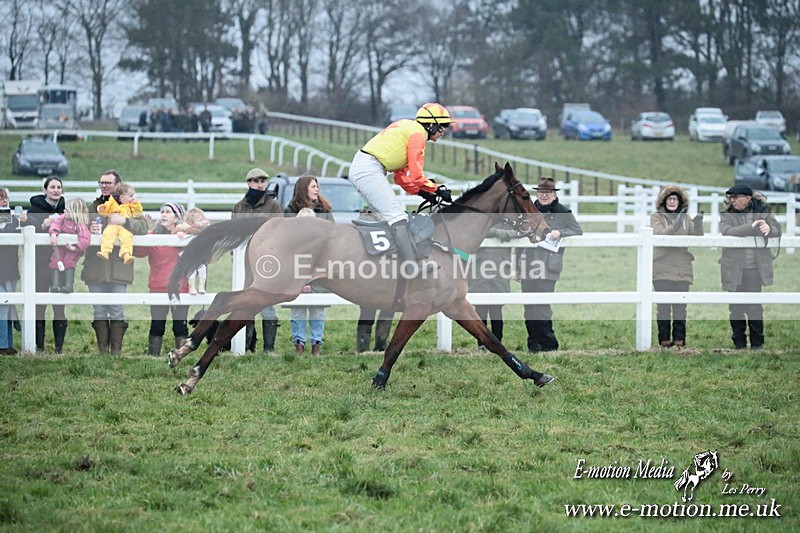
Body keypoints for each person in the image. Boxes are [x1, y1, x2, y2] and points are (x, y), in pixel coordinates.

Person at [348, 102, 454, 274]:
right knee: (396, 215)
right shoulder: (418, 135)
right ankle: (411, 266)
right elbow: (417, 175)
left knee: (396, 214)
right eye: (442, 127)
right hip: (368, 169)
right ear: (431, 124)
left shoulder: (411, 130)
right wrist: (437, 190)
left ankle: (397, 259)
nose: (443, 131)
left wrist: (423, 193)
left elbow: (401, 177)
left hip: (367, 167)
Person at [82, 170, 150, 355]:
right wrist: (89, 228)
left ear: (117, 185)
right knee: (99, 310)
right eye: (101, 182)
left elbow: (144, 227)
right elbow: (77, 227)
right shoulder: (92, 207)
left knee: (117, 309)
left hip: (120, 267)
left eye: (108, 183)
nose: (104, 186)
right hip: (95, 266)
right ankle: (103, 352)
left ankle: (116, 353)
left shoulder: (131, 206)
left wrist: (124, 221)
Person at [517, 177, 583, 352]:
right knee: (529, 307)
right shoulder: (529, 211)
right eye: (541, 192)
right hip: (528, 264)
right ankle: (533, 343)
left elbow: (577, 230)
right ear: (536, 194)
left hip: (547, 266)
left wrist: (560, 232)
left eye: (548, 193)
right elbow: (519, 238)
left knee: (542, 306)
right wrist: (517, 266)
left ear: (554, 194)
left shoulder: (563, 211)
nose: (544, 196)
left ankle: (549, 344)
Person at [719, 183, 781, 350]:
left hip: (755, 269)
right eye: (731, 198)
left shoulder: (763, 211)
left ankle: (757, 344)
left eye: (736, 198)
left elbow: (777, 229)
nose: (732, 201)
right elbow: (726, 230)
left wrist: (770, 228)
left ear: (747, 198)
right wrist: (750, 228)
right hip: (734, 268)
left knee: (755, 306)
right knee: (735, 307)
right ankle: (739, 344)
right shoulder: (727, 215)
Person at [232, 168, 284, 352]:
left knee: (267, 304)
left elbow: (279, 233)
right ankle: (247, 345)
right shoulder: (240, 206)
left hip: (266, 263)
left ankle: (269, 349)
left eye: (263, 180)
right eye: (256, 181)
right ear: (249, 183)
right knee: (246, 302)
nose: (260, 184)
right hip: (245, 263)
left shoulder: (273, 205)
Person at [285, 176, 335, 355]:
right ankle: (298, 343)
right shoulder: (290, 211)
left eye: (317, 186)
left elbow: (332, 235)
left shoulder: (325, 210)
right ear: (304, 188)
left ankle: (316, 344)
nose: (317, 189)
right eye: (313, 186)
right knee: (297, 307)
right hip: (297, 265)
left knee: (318, 307)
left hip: (320, 265)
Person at [650, 185, 704, 348]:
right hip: (662, 267)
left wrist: (699, 224)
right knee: (664, 307)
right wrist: (676, 224)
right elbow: (659, 235)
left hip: (682, 267)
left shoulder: (686, 218)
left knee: (681, 306)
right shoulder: (656, 217)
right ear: (664, 201)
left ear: (680, 202)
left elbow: (696, 237)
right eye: (669, 198)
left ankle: (680, 340)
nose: (672, 201)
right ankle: (664, 340)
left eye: (675, 199)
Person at [134, 203, 190, 356]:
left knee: (180, 326)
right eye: (162, 211)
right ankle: (153, 358)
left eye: (168, 212)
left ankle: (181, 356)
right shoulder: (153, 236)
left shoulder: (184, 237)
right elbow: (138, 251)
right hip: (158, 287)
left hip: (180, 288)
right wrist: (143, 231)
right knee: (157, 325)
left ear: (177, 218)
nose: (164, 214)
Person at [25, 177, 68, 352]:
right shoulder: (34, 210)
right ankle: (39, 347)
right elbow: (26, 226)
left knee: (59, 305)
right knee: (39, 305)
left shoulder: (67, 210)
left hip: (61, 264)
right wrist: (42, 225)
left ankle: (59, 348)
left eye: (59, 187)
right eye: (52, 187)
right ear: (45, 190)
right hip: (40, 263)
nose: (56, 190)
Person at [469, 223, 518, 350]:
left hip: (499, 270)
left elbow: (520, 231)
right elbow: (477, 229)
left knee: (497, 310)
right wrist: (497, 232)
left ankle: (497, 342)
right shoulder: (482, 219)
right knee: (480, 311)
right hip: (480, 271)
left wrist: (508, 233)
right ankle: (482, 343)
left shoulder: (508, 220)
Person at [48, 197, 91, 293]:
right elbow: (55, 224)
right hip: (61, 247)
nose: (64, 211)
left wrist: (75, 247)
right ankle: (55, 285)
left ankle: (68, 285)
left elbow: (85, 239)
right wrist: (54, 234)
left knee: (68, 261)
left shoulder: (80, 225)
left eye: (66, 210)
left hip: (72, 249)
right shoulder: (62, 218)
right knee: (55, 260)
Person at [0, 187, 24, 355]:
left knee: (8, 307)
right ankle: (3, 344)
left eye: (5, 198)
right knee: (2, 305)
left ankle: (7, 344)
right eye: (0, 198)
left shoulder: (14, 221)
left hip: (10, 270)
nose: (4, 200)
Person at [96, 182, 143, 264]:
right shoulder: (112, 202)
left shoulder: (131, 205)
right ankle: (105, 251)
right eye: (131, 196)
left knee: (126, 237)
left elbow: (137, 214)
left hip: (125, 226)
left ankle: (126, 254)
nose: (133, 198)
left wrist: (137, 206)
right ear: (122, 197)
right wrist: (102, 208)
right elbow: (105, 209)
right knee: (107, 234)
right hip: (112, 224)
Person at [175, 207, 211, 294]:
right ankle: (192, 287)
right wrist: (180, 232)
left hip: (200, 256)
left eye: (203, 219)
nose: (203, 221)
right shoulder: (185, 228)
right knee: (192, 271)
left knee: (202, 269)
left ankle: (201, 287)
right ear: (191, 223)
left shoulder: (204, 230)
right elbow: (178, 229)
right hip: (190, 255)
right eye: (200, 220)